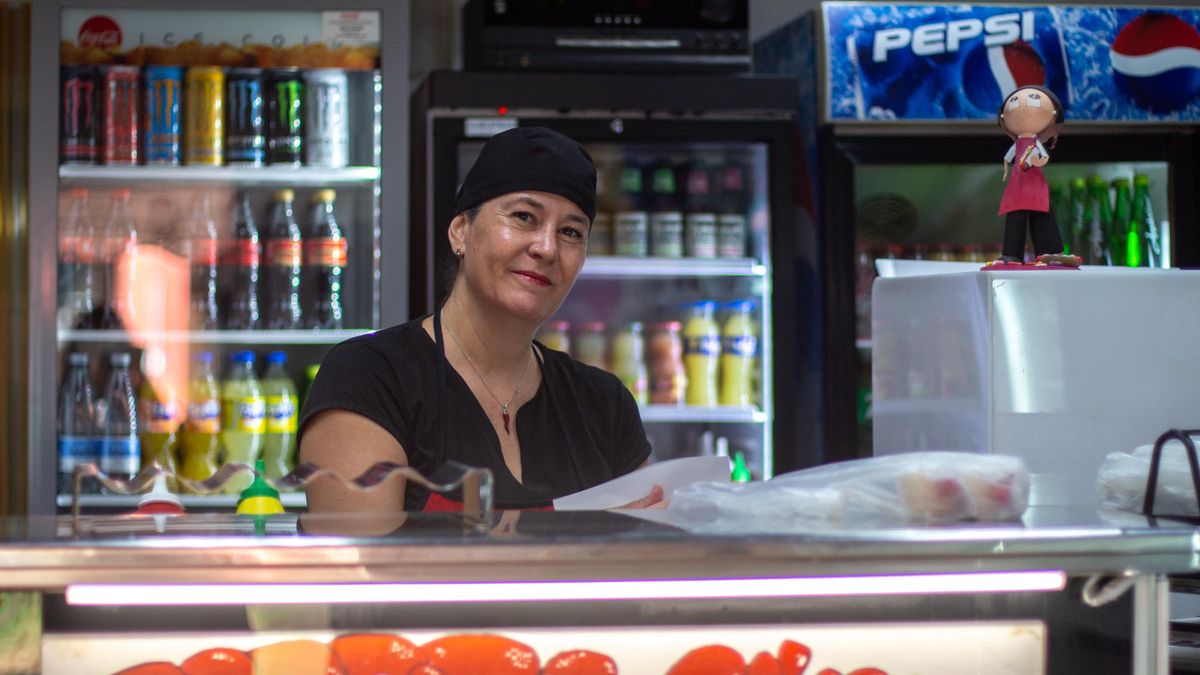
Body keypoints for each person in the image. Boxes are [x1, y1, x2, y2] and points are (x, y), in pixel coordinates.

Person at [298, 127, 661, 514]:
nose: (547, 247)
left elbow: (648, 546)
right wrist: (598, 530)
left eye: (570, 232)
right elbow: (361, 552)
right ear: (460, 231)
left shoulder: (605, 405)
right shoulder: (368, 377)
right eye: (524, 217)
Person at [993, 85, 1077, 267]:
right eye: (1014, 103)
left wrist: (1036, 161)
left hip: (1034, 185)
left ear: (1053, 115)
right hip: (1017, 185)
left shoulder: (1035, 144)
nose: (1022, 108)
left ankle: (1049, 251)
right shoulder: (1018, 143)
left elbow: (1043, 157)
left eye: (1033, 101)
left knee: (1041, 215)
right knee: (1015, 217)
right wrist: (1007, 168)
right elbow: (1008, 157)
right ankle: (1011, 254)